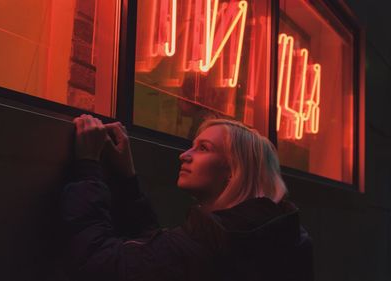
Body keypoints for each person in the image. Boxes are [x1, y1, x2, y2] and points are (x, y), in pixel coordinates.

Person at [61, 114, 313, 281]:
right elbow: (157, 257)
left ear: (234, 171)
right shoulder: (282, 237)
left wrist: (87, 166)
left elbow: (96, 263)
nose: (184, 155)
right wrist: (127, 178)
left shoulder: (212, 240)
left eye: (203, 148)